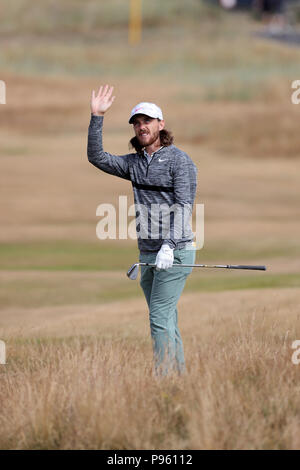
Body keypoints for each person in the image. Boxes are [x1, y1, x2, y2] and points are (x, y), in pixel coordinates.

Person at [87, 84, 198, 376]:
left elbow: (184, 206)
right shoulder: (134, 164)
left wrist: (170, 246)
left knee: (159, 317)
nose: (141, 127)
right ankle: (179, 379)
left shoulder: (180, 161)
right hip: (148, 254)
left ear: (161, 125)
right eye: (137, 123)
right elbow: (97, 157)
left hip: (175, 252)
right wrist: (97, 116)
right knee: (167, 318)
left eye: (147, 121)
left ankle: (163, 382)